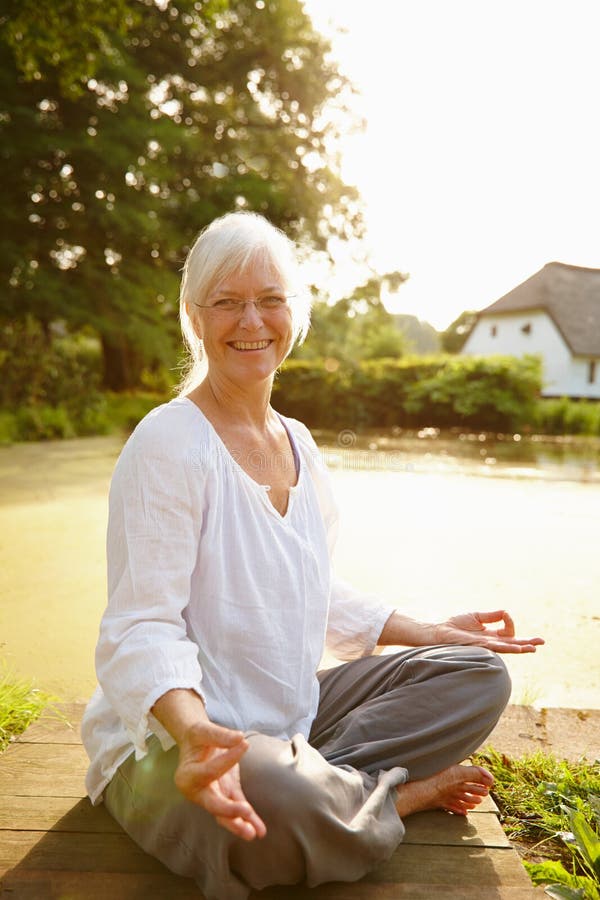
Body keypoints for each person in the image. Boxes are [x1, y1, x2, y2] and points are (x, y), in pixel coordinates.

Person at [82, 211, 544, 900]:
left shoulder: (298, 442)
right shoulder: (168, 443)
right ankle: (398, 799)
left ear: (294, 315)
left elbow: (308, 584)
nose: (252, 320)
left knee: (475, 675)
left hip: (290, 711)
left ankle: (324, 783)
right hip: (177, 740)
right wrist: (193, 732)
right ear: (195, 316)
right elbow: (141, 626)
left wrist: (426, 629)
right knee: (272, 803)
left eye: (270, 300)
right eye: (228, 302)